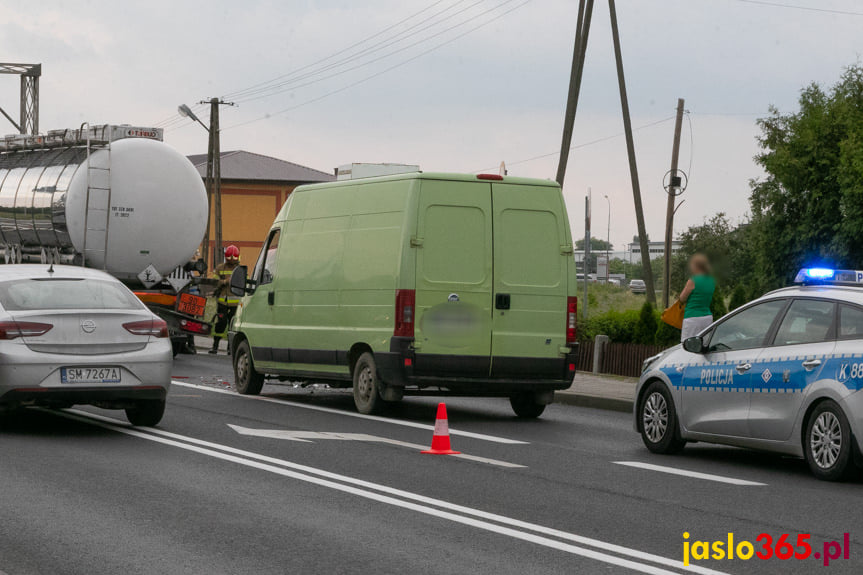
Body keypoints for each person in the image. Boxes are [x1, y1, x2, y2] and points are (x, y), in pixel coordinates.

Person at [209, 245, 241, 354]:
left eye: (233, 259)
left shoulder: (240, 270)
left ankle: (230, 348)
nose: (231, 261)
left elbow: (243, 284)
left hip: (235, 304)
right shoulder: (220, 268)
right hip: (222, 302)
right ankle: (215, 346)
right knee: (220, 324)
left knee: (232, 326)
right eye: (229, 259)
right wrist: (224, 282)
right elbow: (214, 282)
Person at [679, 253, 716, 343]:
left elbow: (682, 298)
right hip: (707, 317)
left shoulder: (693, 280)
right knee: (703, 344)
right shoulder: (711, 280)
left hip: (692, 318)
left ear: (696, 266)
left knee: (688, 345)